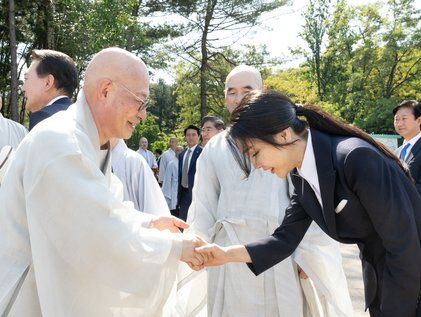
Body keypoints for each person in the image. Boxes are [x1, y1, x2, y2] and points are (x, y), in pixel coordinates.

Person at [0, 47, 205, 316]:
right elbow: (93, 233)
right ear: (106, 90)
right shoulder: (61, 141)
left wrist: (148, 222)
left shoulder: (88, 140)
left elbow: (106, 209)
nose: (143, 114)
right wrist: (174, 248)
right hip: (28, 297)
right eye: (140, 101)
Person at [196, 91, 421, 317]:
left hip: (408, 278)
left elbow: (403, 246)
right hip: (384, 279)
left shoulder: (356, 158)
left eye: (255, 153)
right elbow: (284, 239)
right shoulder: (301, 176)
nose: (256, 165)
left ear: (283, 135)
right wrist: (225, 254)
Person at [187, 65, 352, 317]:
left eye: (247, 90)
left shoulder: (281, 138)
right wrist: (199, 247)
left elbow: (309, 199)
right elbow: (203, 204)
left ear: (262, 92)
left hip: (279, 248)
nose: (238, 97)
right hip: (227, 249)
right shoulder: (214, 147)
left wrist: (311, 253)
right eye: (231, 92)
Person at [110, 138, 169, 215]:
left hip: (148, 176)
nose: (144, 144)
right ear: (140, 144)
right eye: (143, 142)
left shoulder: (148, 154)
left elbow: (155, 165)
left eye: (145, 142)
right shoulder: (135, 155)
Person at [22, 49, 78, 131]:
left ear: (48, 82)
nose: (22, 88)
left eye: (26, 78)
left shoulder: (44, 116)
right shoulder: (82, 117)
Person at [393, 100, 421, 195]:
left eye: (404, 118)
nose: (399, 124)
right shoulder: (395, 153)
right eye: (396, 119)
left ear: (419, 120)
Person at [177, 125, 202, 221]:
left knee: (195, 222)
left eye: (193, 135)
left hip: (196, 193)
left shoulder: (202, 152)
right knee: (183, 221)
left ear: (198, 136)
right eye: (188, 135)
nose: (190, 137)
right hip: (183, 193)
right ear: (185, 137)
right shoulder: (182, 154)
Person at [162, 146, 184, 214]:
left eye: (181, 150)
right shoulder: (171, 164)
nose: (180, 152)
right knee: (175, 208)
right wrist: (168, 193)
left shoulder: (185, 162)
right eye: (178, 150)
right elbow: (167, 180)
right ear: (175, 152)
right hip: (174, 189)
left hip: (184, 190)